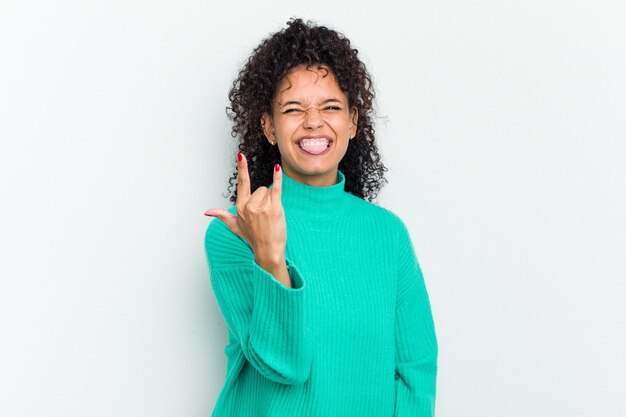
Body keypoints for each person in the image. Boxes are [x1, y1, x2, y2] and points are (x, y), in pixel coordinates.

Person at [204, 18, 438, 416]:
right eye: (293, 109)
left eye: (330, 107)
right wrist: (270, 257)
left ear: (352, 121)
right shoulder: (235, 231)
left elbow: (416, 370)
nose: (313, 121)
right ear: (269, 127)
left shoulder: (387, 234)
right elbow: (284, 365)